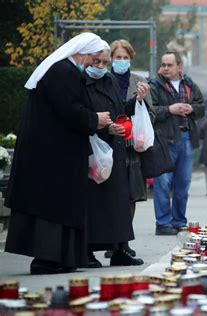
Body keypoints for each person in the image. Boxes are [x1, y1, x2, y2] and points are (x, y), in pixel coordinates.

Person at [4, 32, 112, 274]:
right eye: (93, 59)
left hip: (54, 152)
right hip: (53, 156)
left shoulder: (61, 70)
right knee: (53, 207)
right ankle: (48, 259)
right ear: (83, 53)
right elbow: (69, 109)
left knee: (58, 206)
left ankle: (61, 258)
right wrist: (95, 119)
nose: (93, 64)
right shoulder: (62, 71)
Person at [83, 43, 146, 267]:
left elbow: (120, 110)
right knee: (93, 204)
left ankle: (120, 248)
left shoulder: (109, 81)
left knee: (119, 201)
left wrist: (137, 100)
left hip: (115, 149)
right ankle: (87, 251)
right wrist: (104, 127)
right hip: (94, 149)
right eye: (96, 62)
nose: (100, 66)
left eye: (104, 62)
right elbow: (82, 114)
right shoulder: (83, 82)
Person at [106, 39, 154, 259]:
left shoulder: (140, 82)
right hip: (109, 144)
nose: (122, 61)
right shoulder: (104, 80)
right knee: (110, 194)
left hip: (133, 146)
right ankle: (110, 240)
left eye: (125, 58)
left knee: (131, 195)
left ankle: (124, 240)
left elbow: (151, 115)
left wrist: (142, 102)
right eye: (118, 57)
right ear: (110, 59)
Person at [149, 51, 205, 236]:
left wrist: (192, 109)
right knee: (163, 183)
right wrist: (170, 109)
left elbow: (201, 107)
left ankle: (179, 221)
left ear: (179, 66)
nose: (165, 68)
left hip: (186, 137)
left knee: (183, 183)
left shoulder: (189, 84)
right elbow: (150, 111)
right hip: (164, 140)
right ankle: (163, 223)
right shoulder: (154, 85)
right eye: (163, 64)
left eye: (169, 65)